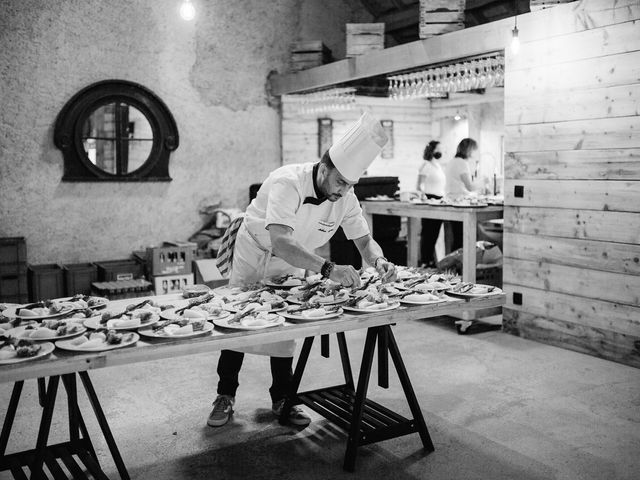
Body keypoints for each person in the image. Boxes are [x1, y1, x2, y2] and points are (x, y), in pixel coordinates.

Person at [209, 112, 398, 428]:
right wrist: (328, 268)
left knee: (287, 326)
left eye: (350, 185)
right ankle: (225, 395)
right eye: (339, 182)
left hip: (297, 258)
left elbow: (366, 243)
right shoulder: (289, 182)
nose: (342, 191)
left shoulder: (345, 197)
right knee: (238, 322)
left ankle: (283, 399)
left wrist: (379, 262)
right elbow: (281, 243)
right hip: (256, 251)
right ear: (324, 169)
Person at [445, 137, 479, 250]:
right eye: (474, 150)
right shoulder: (462, 163)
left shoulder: (452, 162)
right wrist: (483, 184)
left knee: (456, 236)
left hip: (451, 201)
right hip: (459, 202)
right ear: (469, 150)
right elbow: (470, 186)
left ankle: (455, 265)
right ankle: (462, 265)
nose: (475, 153)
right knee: (462, 238)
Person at [416, 140, 445, 266]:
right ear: (432, 150)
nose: (441, 152)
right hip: (430, 199)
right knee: (428, 232)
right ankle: (425, 260)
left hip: (439, 199)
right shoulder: (426, 165)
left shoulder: (438, 166)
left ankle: (431, 259)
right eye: (439, 149)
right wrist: (425, 198)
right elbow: (419, 185)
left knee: (435, 232)